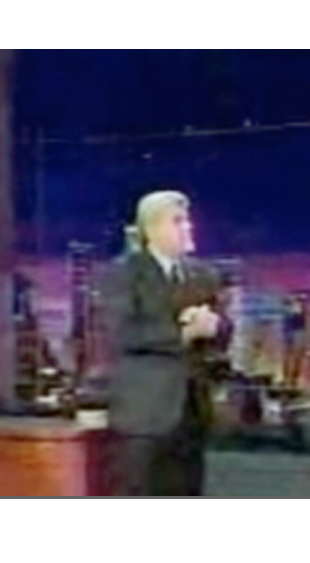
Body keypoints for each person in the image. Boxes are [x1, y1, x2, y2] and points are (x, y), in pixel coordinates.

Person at [104, 190, 231, 496]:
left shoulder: (203, 275)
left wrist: (214, 326)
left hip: (192, 412)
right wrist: (182, 334)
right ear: (151, 229)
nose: (188, 227)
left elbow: (224, 329)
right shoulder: (124, 274)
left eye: (187, 221)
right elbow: (125, 333)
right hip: (145, 414)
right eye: (177, 221)